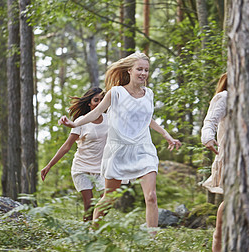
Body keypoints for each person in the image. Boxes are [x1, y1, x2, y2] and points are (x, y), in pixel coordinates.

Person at [58, 52, 181, 230]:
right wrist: (74, 123)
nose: (143, 73)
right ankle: (93, 233)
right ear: (129, 70)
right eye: (139, 69)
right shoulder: (116, 93)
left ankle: (153, 242)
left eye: (146, 70)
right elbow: (96, 113)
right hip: (118, 151)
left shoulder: (149, 94)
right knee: (109, 198)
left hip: (143, 148)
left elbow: (148, 119)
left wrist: (166, 134)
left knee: (151, 196)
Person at [41, 87, 107, 221]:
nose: (100, 103)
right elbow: (66, 146)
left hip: (102, 168)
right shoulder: (81, 121)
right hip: (82, 167)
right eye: (96, 100)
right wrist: (49, 165)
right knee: (89, 205)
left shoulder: (110, 119)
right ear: (89, 103)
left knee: (107, 202)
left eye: (102, 100)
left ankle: (96, 230)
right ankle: (86, 236)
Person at [201, 73, 227, 252]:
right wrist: (208, 138)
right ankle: (218, 238)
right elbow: (210, 120)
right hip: (234, 157)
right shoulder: (225, 97)